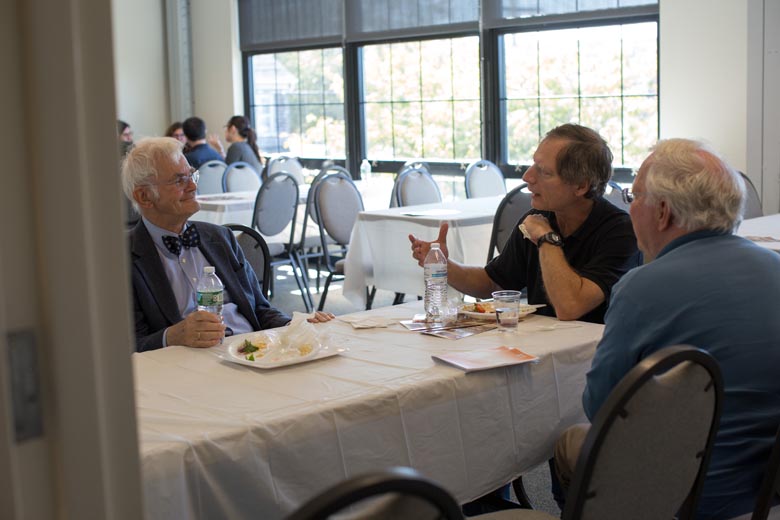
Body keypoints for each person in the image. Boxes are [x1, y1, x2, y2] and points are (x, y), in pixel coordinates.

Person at [554, 138, 780, 519]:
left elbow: (601, 408)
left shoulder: (641, 288)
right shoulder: (775, 268)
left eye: (633, 196)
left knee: (570, 442)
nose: (628, 209)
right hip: (768, 490)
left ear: (662, 213)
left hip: (689, 498)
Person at [409, 123, 641, 323]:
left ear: (581, 186)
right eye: (532, 165)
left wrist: (547, 239)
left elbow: (570, 307)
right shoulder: (540, 218)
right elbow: (494, 282)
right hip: (545, 345)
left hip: (592, 353)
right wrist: (443, 265)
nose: (527, 177)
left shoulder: (620, 231)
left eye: (544, 172)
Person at [122, 137, 333, 352]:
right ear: (144, 196)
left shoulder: (220, 238)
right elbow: (124, 345)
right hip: (188, 362)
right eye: (179, 180)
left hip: (253, 351)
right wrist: (170, 337)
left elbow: (260, 309)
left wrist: (295, 326)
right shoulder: (121, 257)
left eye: (191, 175)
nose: (193, 186)